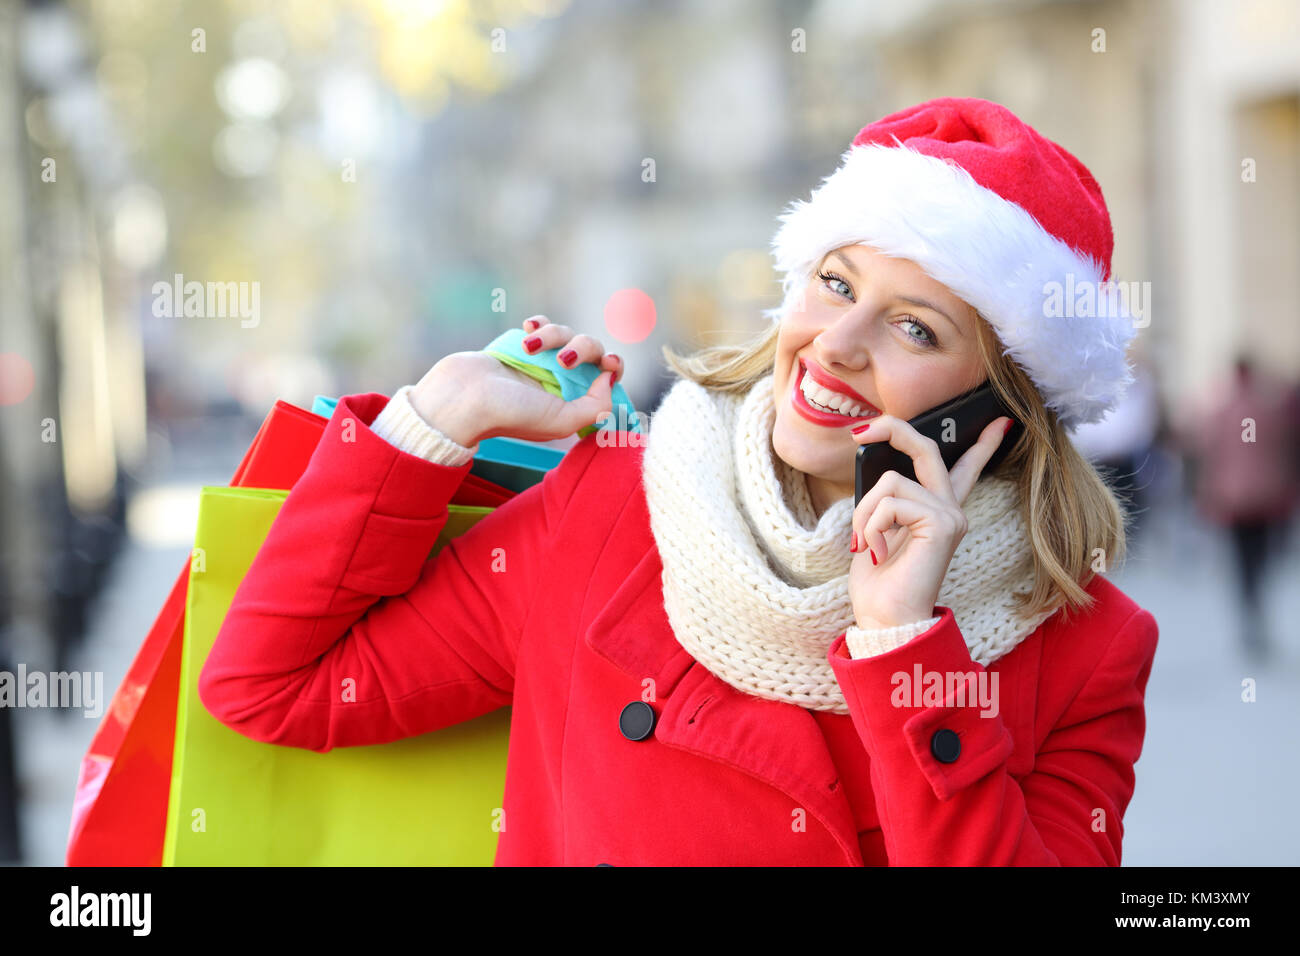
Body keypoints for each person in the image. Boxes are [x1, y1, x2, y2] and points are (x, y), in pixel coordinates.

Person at [199, 97, 1159, 866]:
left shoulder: (1087, 649)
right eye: (834, 283)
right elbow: (269, 687)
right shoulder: (610, 506)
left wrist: (907, 647)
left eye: (916, 329)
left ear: (1000, 411)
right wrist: (436, 421)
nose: (837, 344)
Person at [1180, 355, 1300, 658]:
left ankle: (1248, 606)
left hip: (1234, 501)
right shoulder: (1270, 411)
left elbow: (1207, 457)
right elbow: (1284, 454)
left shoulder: (1221, 413)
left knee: (1241, 560)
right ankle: (1256, 603)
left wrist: (1208, 496)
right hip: (1265, 499)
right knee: (1260, 557)